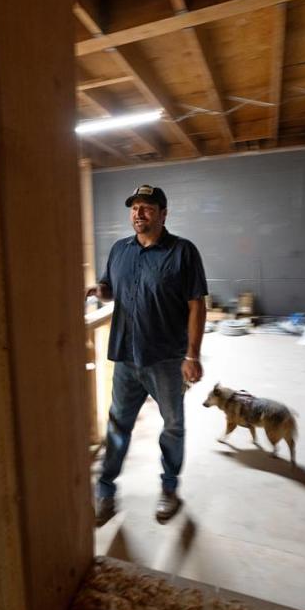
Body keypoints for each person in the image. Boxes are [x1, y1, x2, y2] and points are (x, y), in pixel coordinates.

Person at [86, 184, 207, 526]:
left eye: (147, 208)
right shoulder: (119, 250)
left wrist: (192, 356)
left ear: (163, 214)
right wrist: (99, 289)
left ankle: (169, 489)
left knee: (172, 426)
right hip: (126, 356)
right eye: (135, 208)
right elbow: (111, 291)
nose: (139, 214)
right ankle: (106, 492)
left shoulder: (183, 252)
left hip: (167, 359)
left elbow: (197, 304)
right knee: (118, 425)